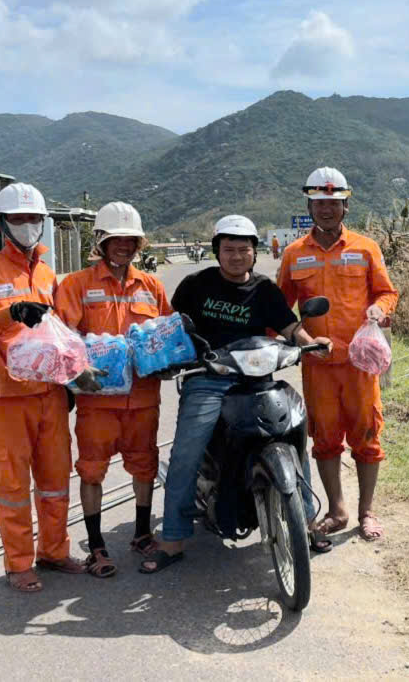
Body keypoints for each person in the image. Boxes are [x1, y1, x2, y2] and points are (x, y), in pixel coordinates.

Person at [142, 215, 332, 573]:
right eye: (228, 249)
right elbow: (172, 328)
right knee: (185, 452)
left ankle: (305, 521)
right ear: (216, 252)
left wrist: (311, 344)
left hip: (258, 379)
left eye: (243, 249)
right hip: (209, 379)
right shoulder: (196, 285)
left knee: (293, 438)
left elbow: (290, 326)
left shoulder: (264, 289)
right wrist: (167, 357)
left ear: (254, 253)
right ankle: (172, 538)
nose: (236, 256)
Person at [0, 183, 88, 592]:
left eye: (34, 219)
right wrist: (8, 312)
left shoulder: (49, 274)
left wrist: (75, 372)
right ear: (1, 224)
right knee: (12, 484)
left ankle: (54, 550)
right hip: (6, 396)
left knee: (54, 479)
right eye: (19, 218)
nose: (28, 225)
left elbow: (61, 331)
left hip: (50, 394)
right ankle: (18, 563)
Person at [277, 167, 399, 543]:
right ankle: (337, 510)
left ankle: (366, 512)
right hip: (318, 365)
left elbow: (387, 292)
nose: (326, 209)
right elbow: (280, 310)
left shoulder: (366, 248)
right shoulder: (294, 254)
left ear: (346, 206)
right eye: (319, 203)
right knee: (326, 439)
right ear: (309, 206)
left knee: (367, 436)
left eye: (333, 203)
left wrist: (381, 310)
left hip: (361, 364)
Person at [54, 202, 172, 577]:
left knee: (144, 466)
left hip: (143, 398)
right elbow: (64, 335)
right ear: (101, 242)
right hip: (97, 401)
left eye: (131, 240)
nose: (124, 245)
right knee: (91, 471)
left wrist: (169, 357)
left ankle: (140, 533)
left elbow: (166, 331)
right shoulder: (76, 285)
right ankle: (97, 547)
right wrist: (79, 367)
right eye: (116, 239)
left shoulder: (151, 285)